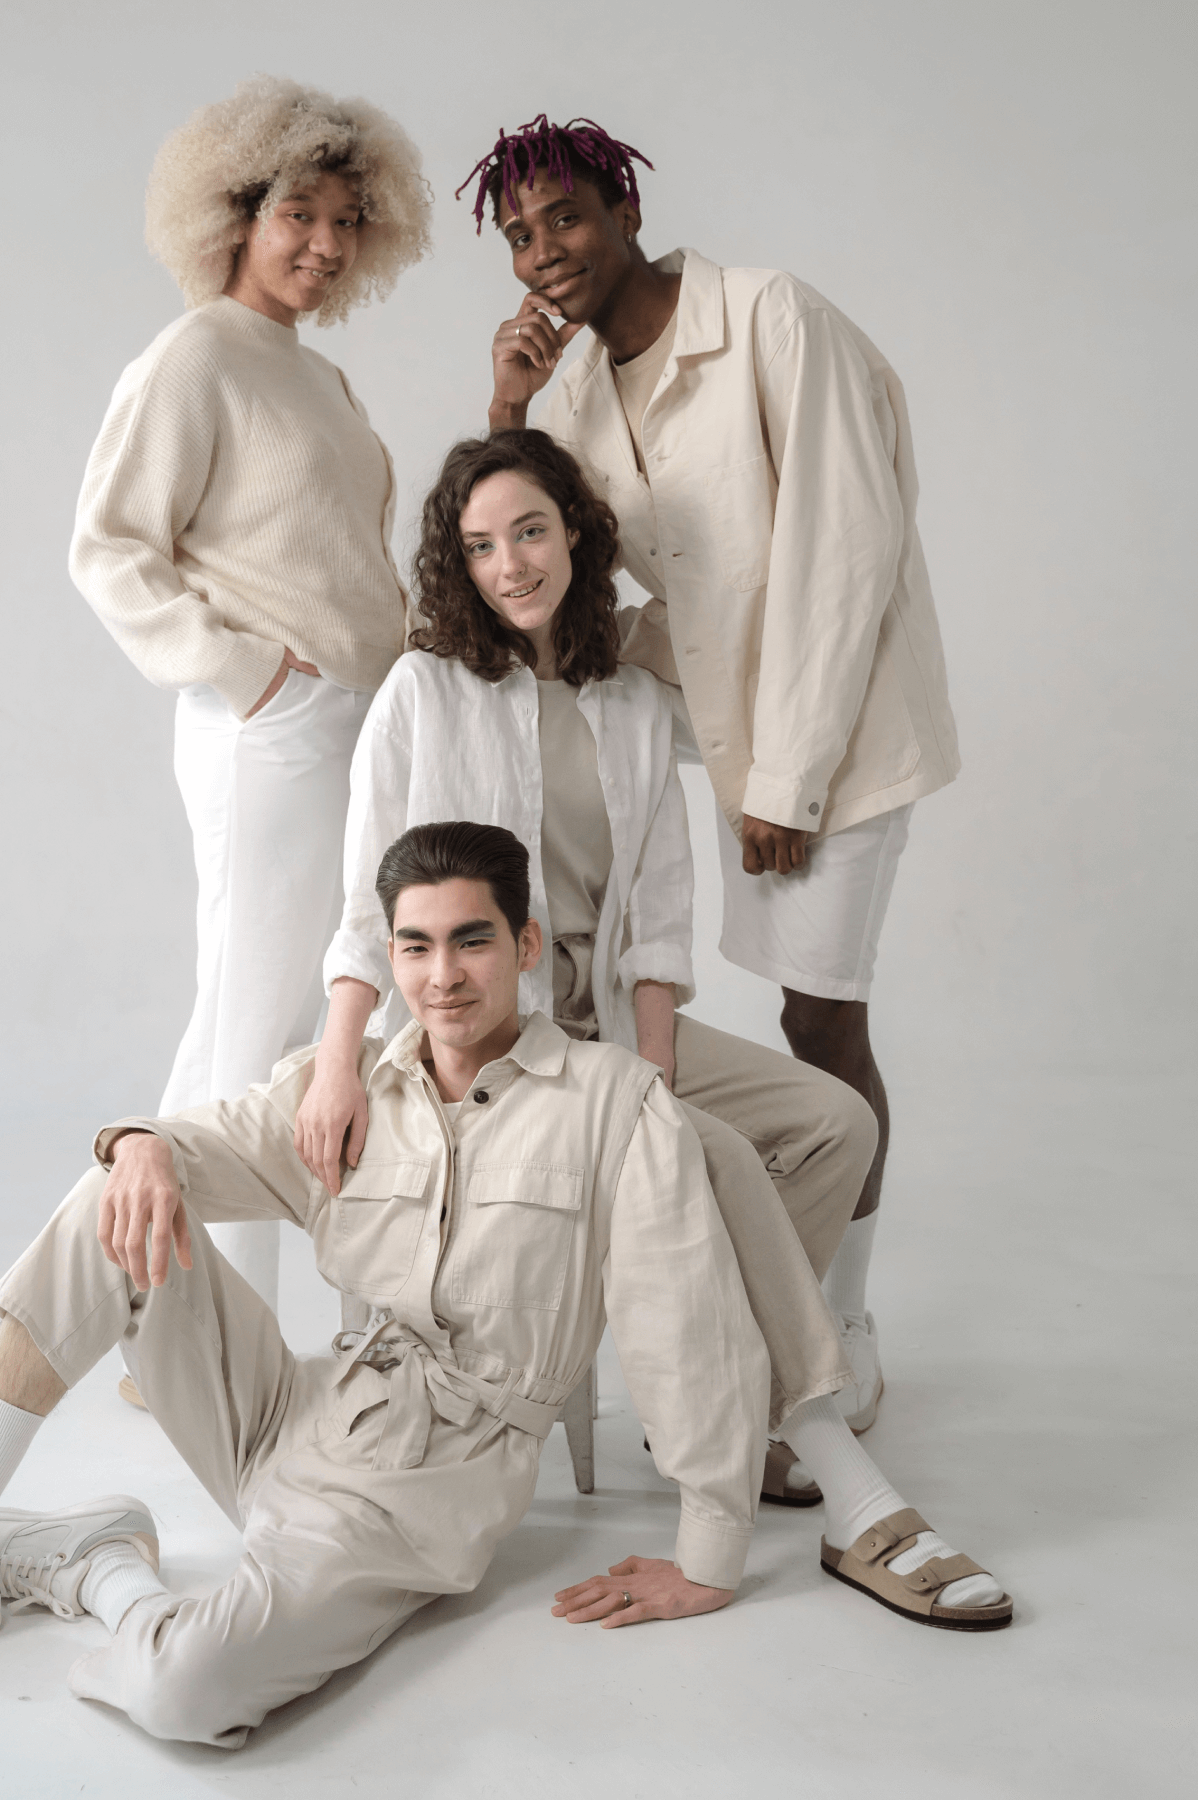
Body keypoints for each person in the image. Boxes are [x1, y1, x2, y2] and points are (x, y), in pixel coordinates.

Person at [0, 824, 1011, 1745]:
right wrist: (133, 1142)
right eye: (413, 946)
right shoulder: (349, 1091)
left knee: (186, 1695)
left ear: (525, 946)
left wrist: (710, 1550)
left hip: (415, 1489)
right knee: (118, 1194)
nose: (441, 976)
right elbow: (195, 1142)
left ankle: (91, 1570)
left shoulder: (612, 1105)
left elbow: (681, 1318)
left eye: (470, 940)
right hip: (285, 1416)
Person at [464, 114, 963, 1430]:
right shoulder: (579, 397)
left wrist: (787, 780)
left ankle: (841, 1316)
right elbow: (549, 566)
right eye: (517, 235)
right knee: (718, 1002)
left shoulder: (769, 319)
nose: (543, 251)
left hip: (838, 731)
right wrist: (510, 412)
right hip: (727, 718)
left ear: (624, 211)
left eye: (564, 217)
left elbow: (842, 551)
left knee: (820, 1022)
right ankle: (725, 1298)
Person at [299, 430, 878, 1509]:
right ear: (458, 564)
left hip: (607, 1023)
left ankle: (724, 1389)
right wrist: (338, 1062)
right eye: (480, 547)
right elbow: (364, 907)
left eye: (529, 532)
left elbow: (658, 910)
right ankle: (711, 1393)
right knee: (706, 1161)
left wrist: (650, 1077)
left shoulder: (632, 702)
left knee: (833, 1124)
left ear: (574, 531)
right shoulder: (423, 692)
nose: (510, 565)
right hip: (485, 1039)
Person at [69, 75, 430, 1317]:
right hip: (271, 731)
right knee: (256, 1026)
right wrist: (248, 674)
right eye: (297, 215)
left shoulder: (313, 375)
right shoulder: (196, 355)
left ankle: (158, 1313)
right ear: (234, 212)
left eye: (346, 222)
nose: (323, 245)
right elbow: (109, 546)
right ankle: (220, 1340)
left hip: (350, 724)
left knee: (294, 1012)